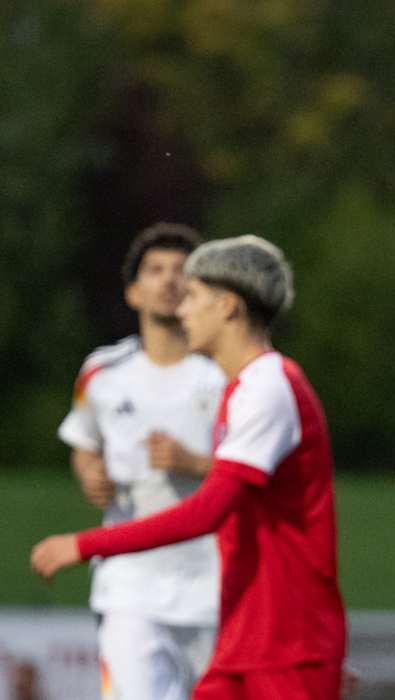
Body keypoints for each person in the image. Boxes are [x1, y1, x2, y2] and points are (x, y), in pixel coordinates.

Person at [33, 235, 347, 700]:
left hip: (286, 644)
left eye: (193, 295)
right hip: (249, 642)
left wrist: (85, 544)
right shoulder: (246, 387)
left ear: (228, 307)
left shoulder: (269, 387)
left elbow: (206, 512)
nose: (182, 308)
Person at [57, 222, 223, 700]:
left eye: (181, 271)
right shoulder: (102, 372)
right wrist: (89, 472)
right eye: (155, 270)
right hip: (129, 585)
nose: (169, 280)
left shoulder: (224, 375)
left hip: (212, 584)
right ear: (133, 292)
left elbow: (260, 473)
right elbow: (83, 441)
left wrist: (195, 463)